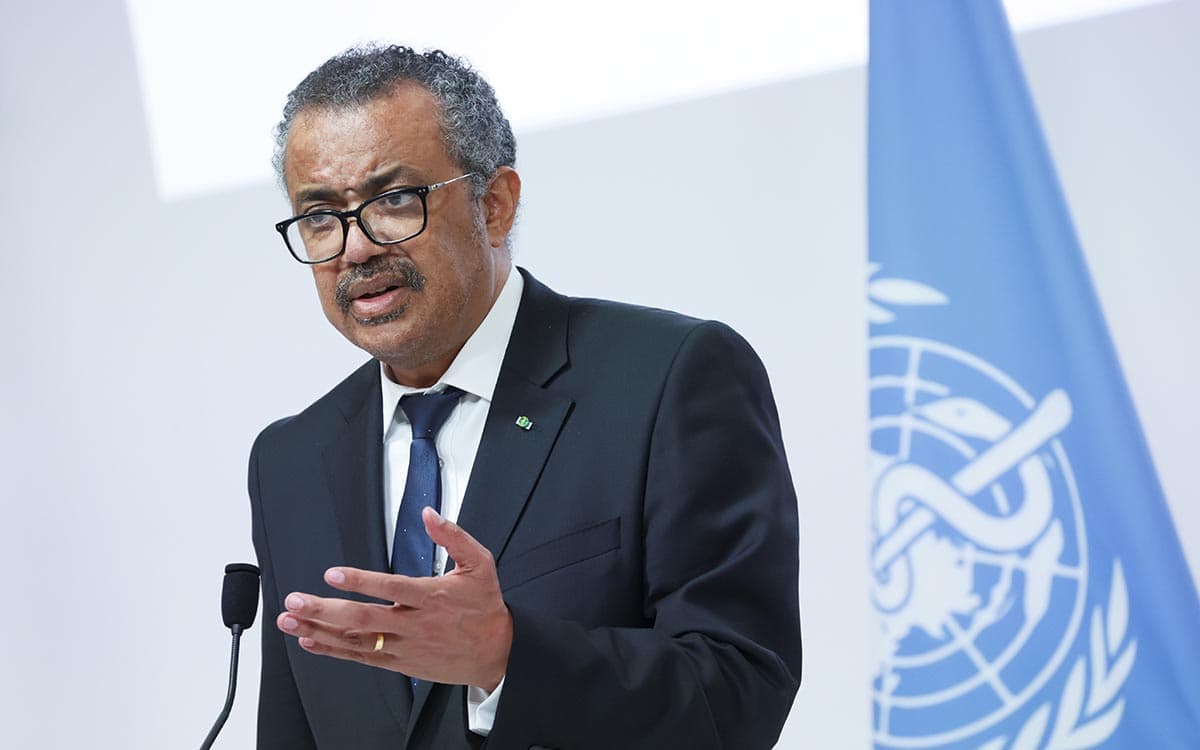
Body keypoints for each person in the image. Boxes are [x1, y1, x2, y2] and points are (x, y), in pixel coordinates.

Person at [249, 44, 801, 750]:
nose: (354, 249)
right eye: (321, 215)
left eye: (393, 200)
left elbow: (742, 691)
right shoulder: (290, 460)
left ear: (495, 204)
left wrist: (507, 657)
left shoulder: (671, 379)